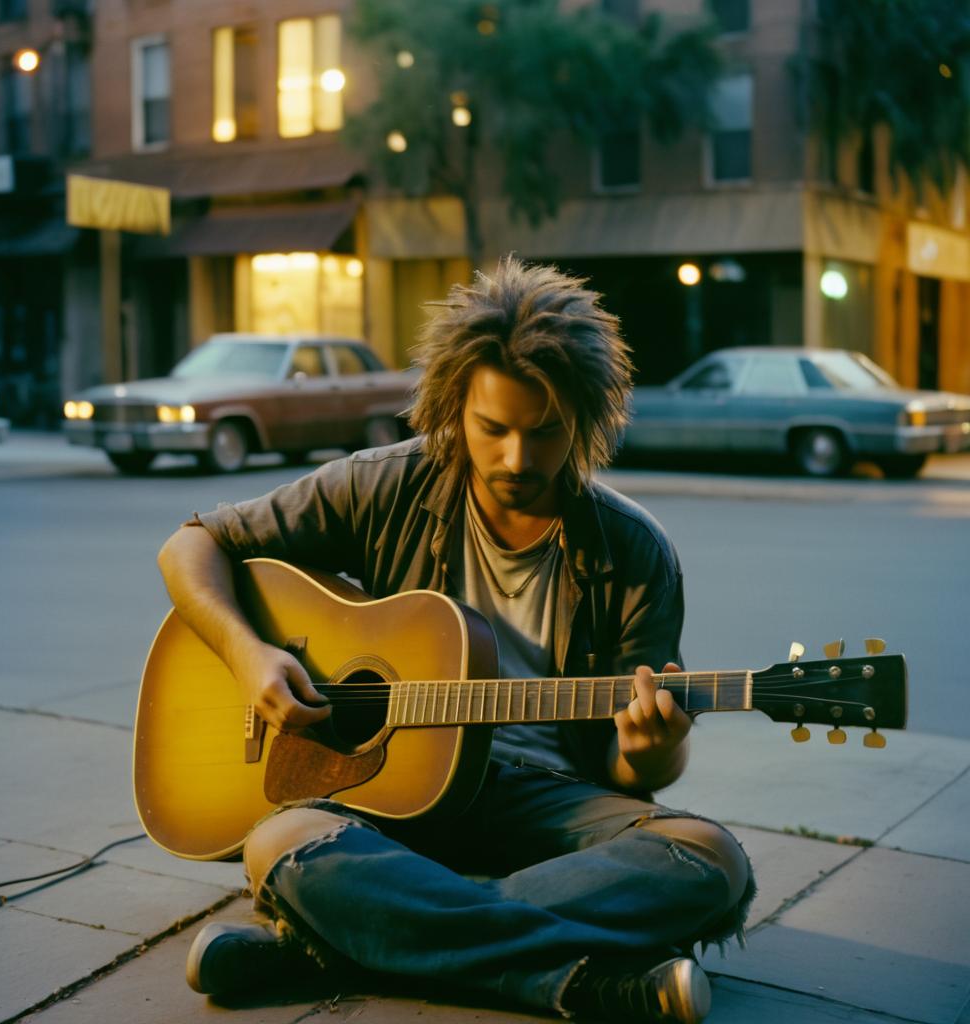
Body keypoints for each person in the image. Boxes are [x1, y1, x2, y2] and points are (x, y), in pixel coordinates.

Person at [157, 257, 754, 1023]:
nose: (516, 459)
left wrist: (651, 746)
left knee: (707, 858)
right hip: (388, 810)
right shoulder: (385, 486)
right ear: (453, 407)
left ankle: (344, 944)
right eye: (492, 429)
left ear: (582, 417)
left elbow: (628, 768)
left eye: (544, 433)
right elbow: (191, 545)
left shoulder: (634, 554)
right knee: (280, 840)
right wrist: (248, 654)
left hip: (546, 807)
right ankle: (578, 980)